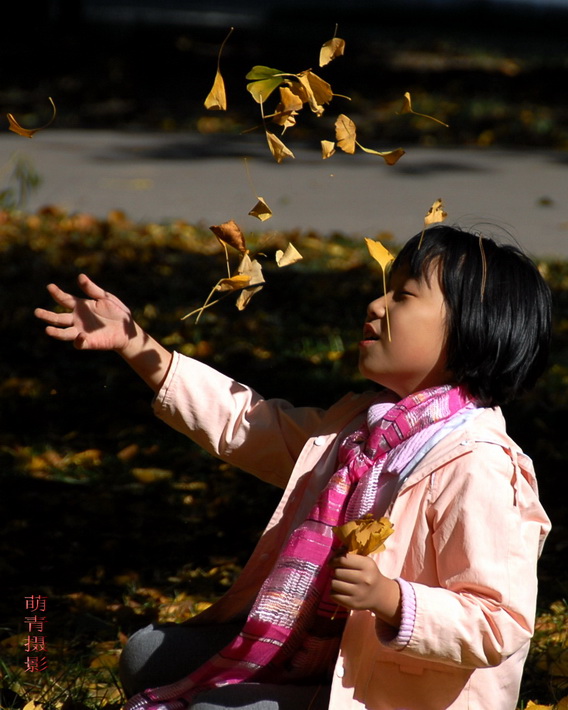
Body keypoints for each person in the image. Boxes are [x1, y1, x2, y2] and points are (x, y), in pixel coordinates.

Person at [34, 225, 552, 710]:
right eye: (385, 289)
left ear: (472, 330)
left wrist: (393, 599)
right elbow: (253, 426)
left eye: (403, 295)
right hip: (312, 655)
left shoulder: (477, 464)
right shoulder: (362, 429)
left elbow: (498, 623)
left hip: (384, 693)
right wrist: (138, 347)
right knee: (146, 654)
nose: (375, 305)